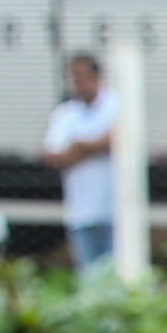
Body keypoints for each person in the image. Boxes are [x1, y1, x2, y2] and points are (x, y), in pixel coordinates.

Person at [40, 51, 118, 273]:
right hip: (81, 212)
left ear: (96, 76)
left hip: (114, 211)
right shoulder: (66, 113)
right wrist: (95, 146)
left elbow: (119, 139)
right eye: (73, 77)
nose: (77, 82)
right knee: (89, 278)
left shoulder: (115, 105)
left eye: (81, 76)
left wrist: (78, 147)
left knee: (116, 275)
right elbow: (53, 156)